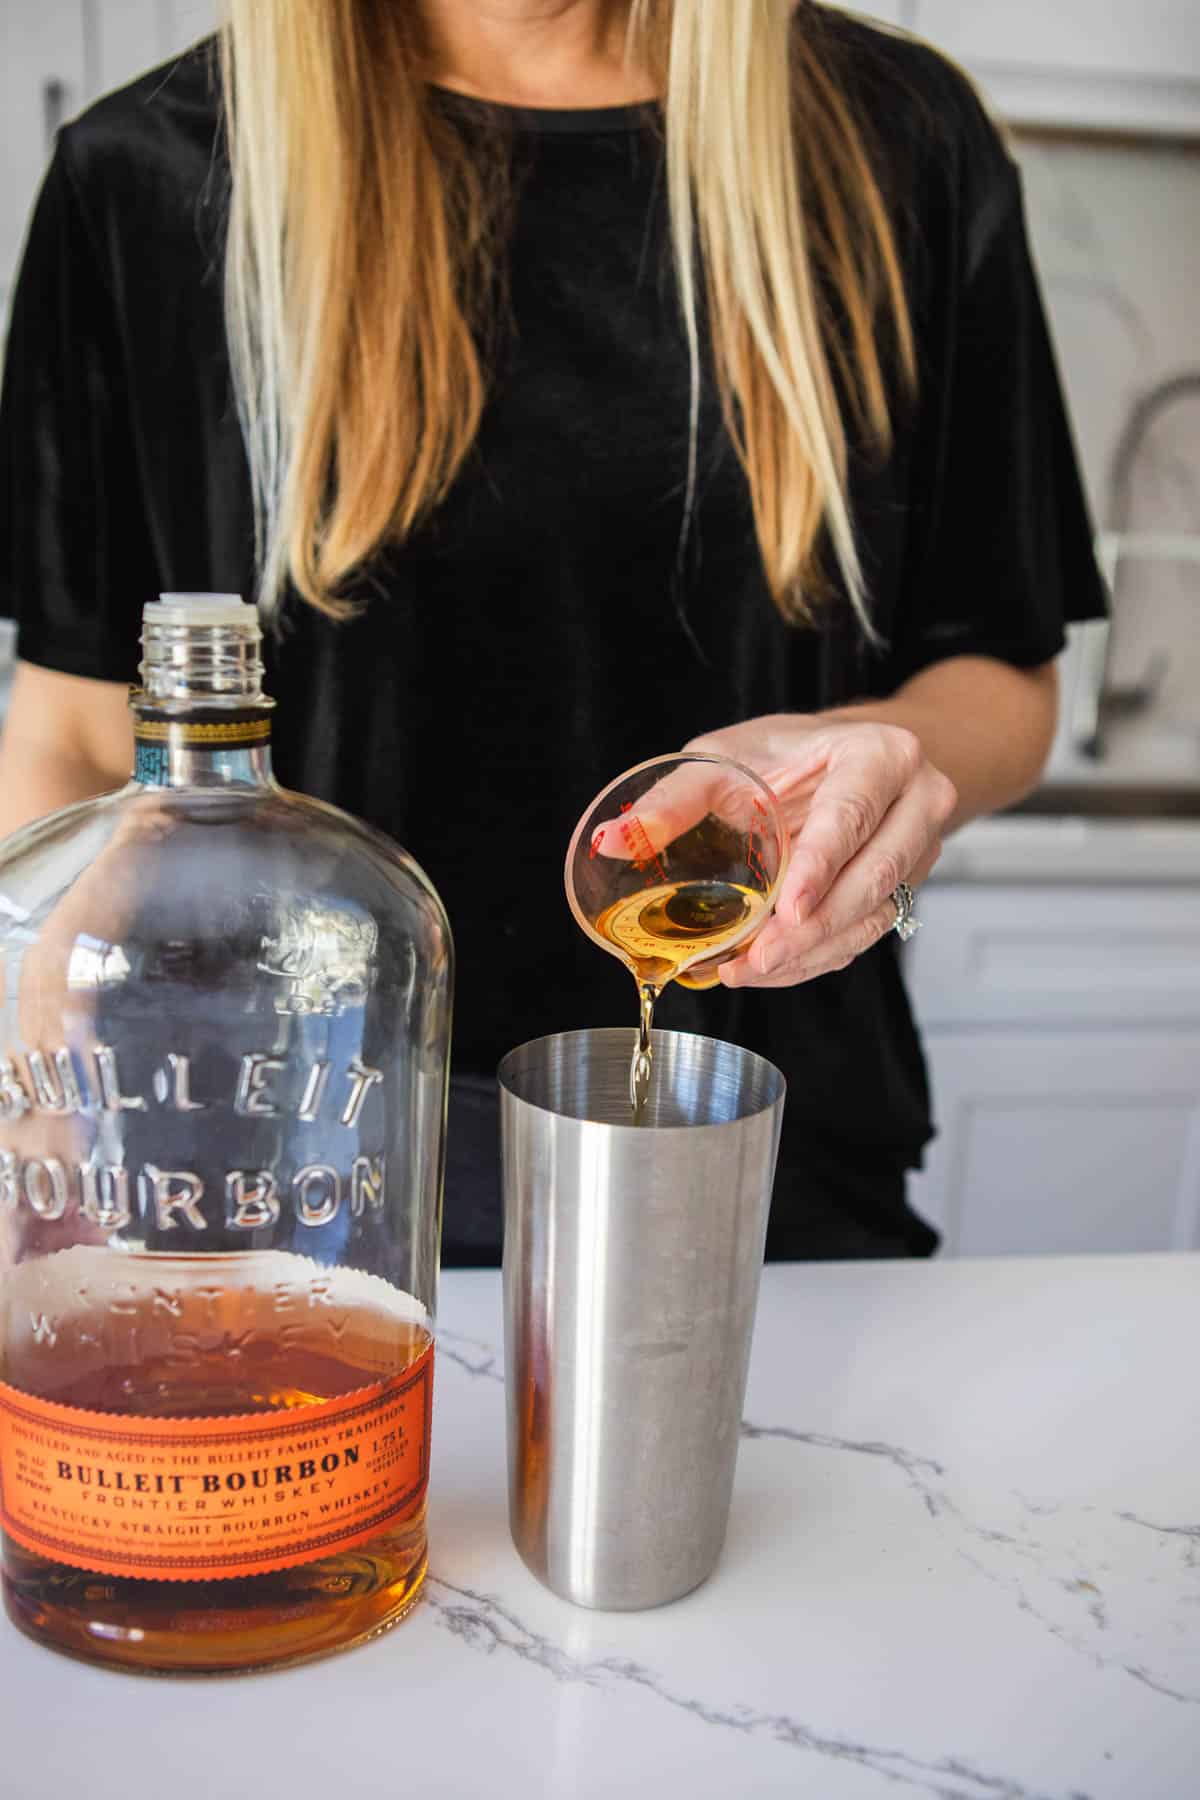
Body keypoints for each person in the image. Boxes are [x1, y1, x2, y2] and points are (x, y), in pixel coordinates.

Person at [0, 1, 1105, 1265]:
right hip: (276, 1163)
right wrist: (46, 1098)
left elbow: (1004, 680)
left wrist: (882, 756)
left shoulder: (896, 139)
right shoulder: (148, 168)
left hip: (760, 1149)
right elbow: (77, 731)